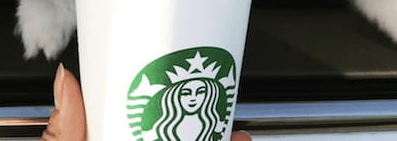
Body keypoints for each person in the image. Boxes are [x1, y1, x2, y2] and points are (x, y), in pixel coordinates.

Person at [42, 65, 252, 141]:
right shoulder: (164, 125)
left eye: (200, 91)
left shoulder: (208, 125)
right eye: (186, 91)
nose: (193, 98)